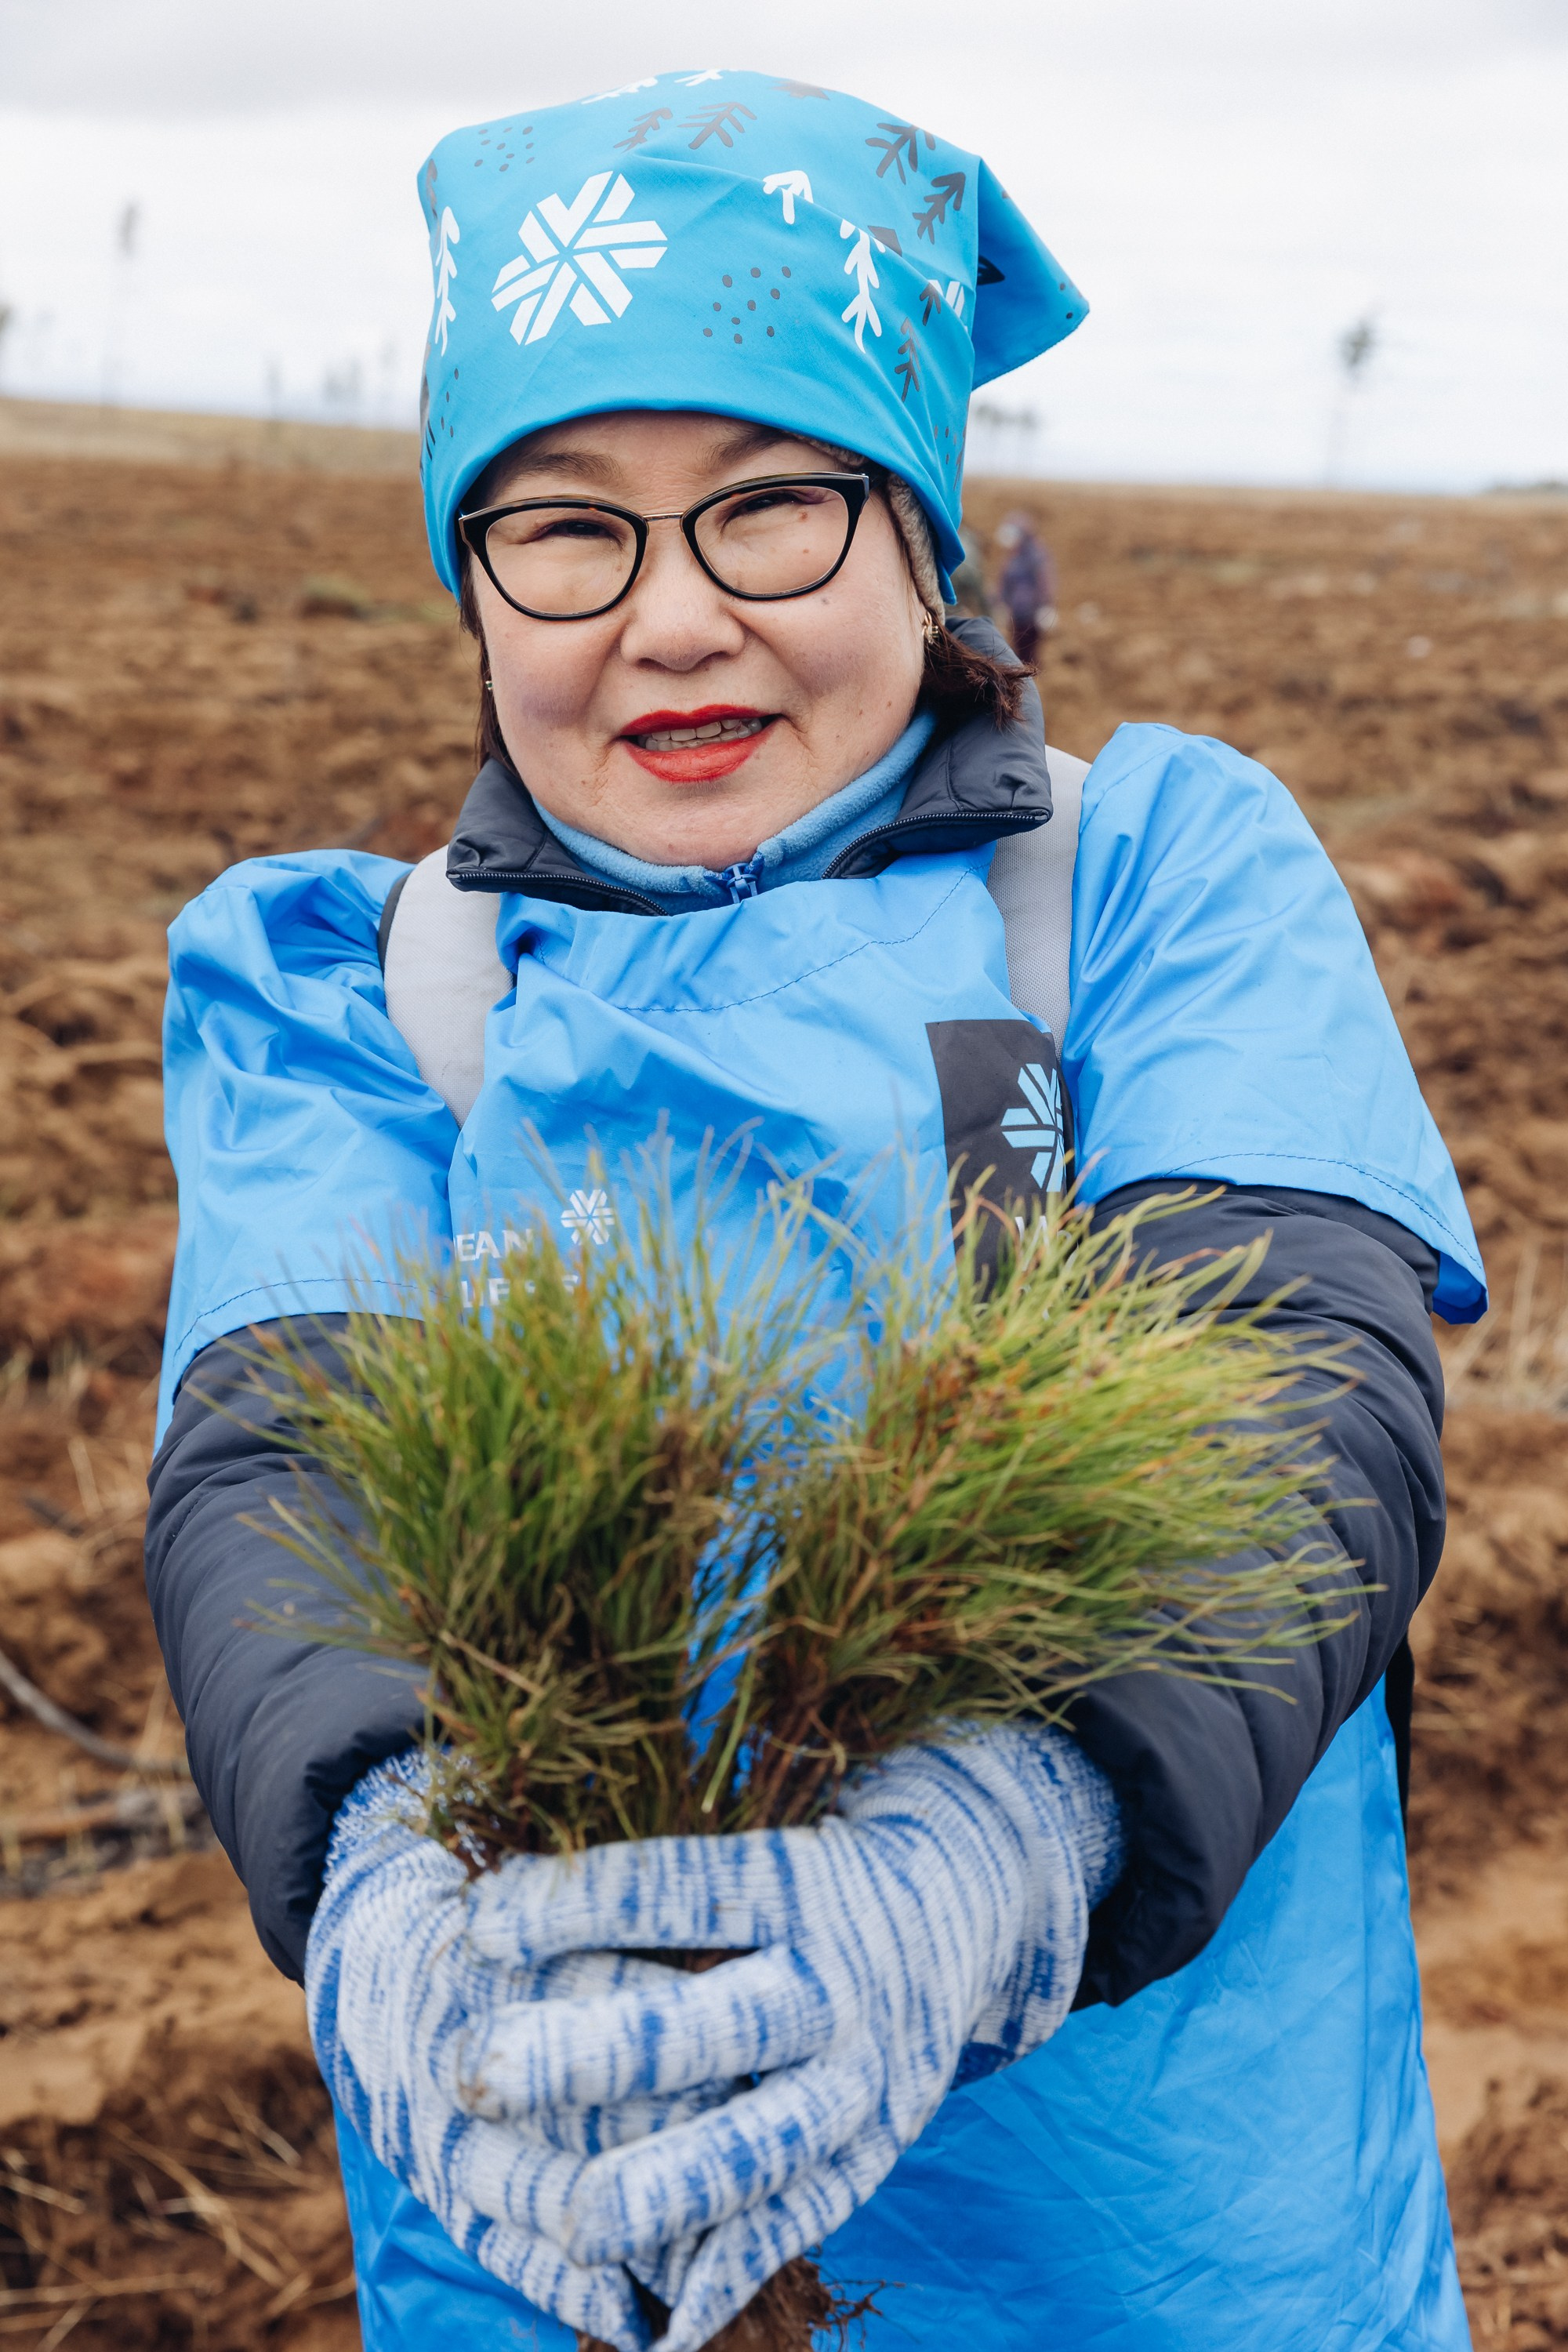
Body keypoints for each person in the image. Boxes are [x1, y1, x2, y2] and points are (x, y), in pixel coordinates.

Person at [144, 67, 1486, 2352]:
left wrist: (1014, 1837)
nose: (670, 618)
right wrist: (373, 1856)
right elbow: (282, 1467)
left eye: (769, 508)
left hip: (1155, 2227)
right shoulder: (355, 993)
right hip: (570, 2201)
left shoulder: (1147, 885)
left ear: (918, 543)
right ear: (475, 582)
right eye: (563, 529)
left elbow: (1293, 1376)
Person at [994, 510, 1058, 669]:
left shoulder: (1036, 555)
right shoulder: (1011, 558)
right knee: (1018, 651)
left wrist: (1046, 605)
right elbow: (1004, 583)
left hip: (1032, 614)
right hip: (1016, 615)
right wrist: (1000, 603)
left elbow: (1045, 582)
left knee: (1030, 652)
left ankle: (1032, 677)